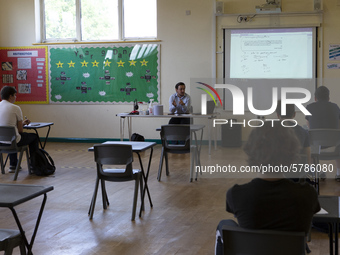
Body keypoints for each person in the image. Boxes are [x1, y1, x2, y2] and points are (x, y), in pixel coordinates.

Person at [215, 122, 320, 255]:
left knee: (224, 224)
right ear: (292, 153)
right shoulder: (308, 194)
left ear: (252, 152)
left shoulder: (236, 195)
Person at [0, 86, 39, 172]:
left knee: (12, 136)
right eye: (15, 95)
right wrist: (22, 124)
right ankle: (34, 166)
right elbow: (20, 130)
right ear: (10, 96)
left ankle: (13, 165)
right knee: (33, 137)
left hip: (1, 142)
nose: (15, 97)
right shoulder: (16, 108)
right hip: (13, 141)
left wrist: (22, 123)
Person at [305, 86, 340, 181]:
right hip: (335, 146)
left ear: (315, 98)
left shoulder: (309, 107)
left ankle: (319, 172)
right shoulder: (335, 107)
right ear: (328, 98)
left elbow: (309, 127)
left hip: (316, 145)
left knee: (308, 141)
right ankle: (339, 173)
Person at [276, 100, 311, 165]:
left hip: (276, 172)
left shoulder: (270, 132)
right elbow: (308, 161)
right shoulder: (303, 132)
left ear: (278, 115)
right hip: (298, 173)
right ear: (294, 114)